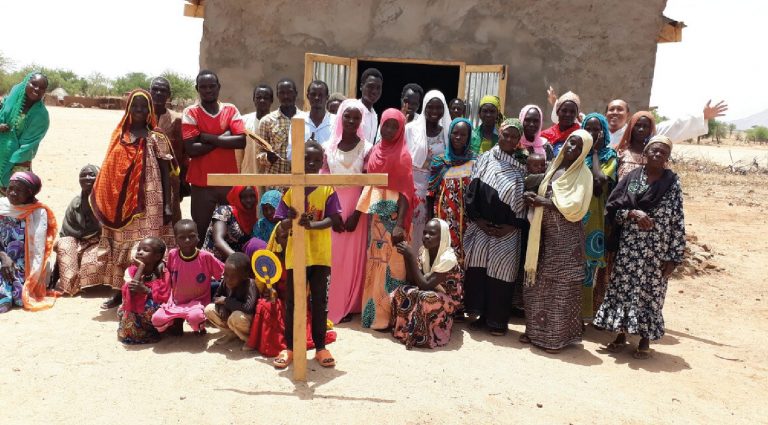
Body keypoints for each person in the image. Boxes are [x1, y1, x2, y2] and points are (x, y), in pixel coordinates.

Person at [594, 136, 685, 360]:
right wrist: (632, 213)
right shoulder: (633, 178)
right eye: (654, 150)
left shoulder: (672, 182)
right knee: (623, 289)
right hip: (630, 248)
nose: (658, 154)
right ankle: (620, 334)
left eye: (663, 152)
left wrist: (673, 257)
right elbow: (613, 209)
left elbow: (678, 220)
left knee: (651, 293)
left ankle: (645, 339)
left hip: (657, 251)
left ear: (668, 157)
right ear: (645, 153)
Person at [87, 89, 178, 309]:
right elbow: (109, 169)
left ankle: (153, 291)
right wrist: (106, 200)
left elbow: (166, 172)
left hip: (151, 199)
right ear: (128, 109)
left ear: (149, 110)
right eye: (134, 106)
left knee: (149, 246)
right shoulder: (120, 136)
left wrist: (167, 204)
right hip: (122, 202)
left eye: (143, 106)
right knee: (122, 244)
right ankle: (119, 291)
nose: (139, 110)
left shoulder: (157, 137)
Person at [272, 140, 342, 369]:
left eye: (316, 160)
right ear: (298, 161)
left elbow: (334, 219)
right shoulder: (291, 191)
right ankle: (291, 347)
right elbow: (281, 225)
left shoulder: (327, 188)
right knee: (294, 302)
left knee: (320, 301)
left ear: (322, 162)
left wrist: (312, 225)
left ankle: (321, 347)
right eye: (306, 159)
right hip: (297, 256)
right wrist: (290, 219)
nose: (311, 163)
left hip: (320, 255)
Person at [521, 130, 593, 353]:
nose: (572, 148)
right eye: (571, 142)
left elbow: (576, 207)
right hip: (544, 234)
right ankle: (535, 331)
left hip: (567, 239)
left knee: (561, 288)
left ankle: (556, 339)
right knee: (538, 285)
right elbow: (542, 192)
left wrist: (544, 202)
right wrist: (533, 198)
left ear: (584, 152)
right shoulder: (554, 167)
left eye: (578, 147)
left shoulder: (584, 174)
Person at [463, 118, 528, 335]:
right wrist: (479, 220)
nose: (508, 139)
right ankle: (481, 316)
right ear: (499, 134)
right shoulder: (485, 159)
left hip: (508, 230)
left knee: (502, 274)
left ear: (519, 140)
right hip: (482, 227)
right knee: (479, 271)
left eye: (513, 136)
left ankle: (497, 322)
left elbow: (525, 200)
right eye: (505, 134)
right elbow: (472, 190)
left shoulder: (523, 167)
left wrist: (512, 226)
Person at [358, 109, 414, 330]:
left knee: (394, 266)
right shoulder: (375, 150)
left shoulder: (403, 155)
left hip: (394, 219)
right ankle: (373, 316)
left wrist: (399, 224)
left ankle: (391, 317)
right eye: (386, 125)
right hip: (377, 219)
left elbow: (406, 193)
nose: (389, 130)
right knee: (375, 263)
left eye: (394, 126)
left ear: (401, 130)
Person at [321, 99, 373, 324]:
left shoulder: (367, 148)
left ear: (362, 120)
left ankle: (350, 304)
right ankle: (330, 303)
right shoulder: (327, 147)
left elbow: (368, 185)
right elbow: (322, 180)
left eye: (356, 117)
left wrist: (357, 215)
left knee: (352, 259)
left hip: (356, 209)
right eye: (347, 116)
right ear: (340, 117)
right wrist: (331, 213)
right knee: (332, 257)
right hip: (331, 207)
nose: (351, 121)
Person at [183, 70, 246, 242]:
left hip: (228, 181)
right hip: (201, 182)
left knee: (232, 231)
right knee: (200, 230)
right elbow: (192, 149)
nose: (208, 90)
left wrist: (207, 137)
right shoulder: (191, 112)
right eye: (203, 87)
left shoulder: (230, 109)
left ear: (219, 87)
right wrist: (224, 137)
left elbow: (241, 141)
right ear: (197, 88)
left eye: (212, 86)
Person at [391, 218, 463, 349]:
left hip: (448, 300)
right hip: (430, 289)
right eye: (425, 233)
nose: (426, 236)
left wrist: (411, 256)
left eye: (432, 234)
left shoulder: (448, 258)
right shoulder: (424, 252)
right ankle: (404, 331)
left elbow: (424, 285)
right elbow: (412, 280)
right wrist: (406, 256)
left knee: (426, 298)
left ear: (442, 238)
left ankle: (425, 335)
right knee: (402, 291)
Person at [152, 219, 225, 335]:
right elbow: (168, 274)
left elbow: (223, 273)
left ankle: (199, 326)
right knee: (157, 319)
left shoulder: (206, 257)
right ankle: (177, 321)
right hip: (175, 303)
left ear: (198, 237)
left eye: (191, 236)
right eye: (182, 237)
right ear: (176, 240)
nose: (187, 240)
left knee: (196, 317)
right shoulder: (172, 254)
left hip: (198, 303)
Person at [0, 171, 57, 313]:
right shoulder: (2, 206)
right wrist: (4, 257)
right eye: (10, 188)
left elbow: (37, 249)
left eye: (18, 190)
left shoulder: (38, 212)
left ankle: (8, 296)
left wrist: (13, 262)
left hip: (26, 260)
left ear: (30, 193)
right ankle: (4, 298)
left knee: (21, 295)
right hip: (1, 254)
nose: (12, 193)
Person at [580, 113, 618, 320]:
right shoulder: (577, 151)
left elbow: (599, 182)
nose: (593, 133)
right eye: (588, 128)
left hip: (595, 217)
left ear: (604, 132)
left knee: (588, 267)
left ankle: (583, 315)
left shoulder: (609, 156)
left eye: (597, 129)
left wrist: (594, 152)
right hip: (574, 215)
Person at [406, 90, 451, 252]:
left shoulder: (447, 133)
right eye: (430, 107)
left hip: (436, 191)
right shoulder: (410, 129)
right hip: (413, 189)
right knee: (411, 232)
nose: (434, 111)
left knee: (431, 232)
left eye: (439, 108)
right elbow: (403, 159)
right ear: (424, 107)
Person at [427, 117, 475, 265]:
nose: (458, 137)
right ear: (450, 134)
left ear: (468, 137)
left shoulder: (475, 162)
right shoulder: (440, 162)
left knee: (465, 258)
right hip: (443, 219)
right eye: (455, 133)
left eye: (463, 134)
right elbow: (430, 193)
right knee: (443, 255)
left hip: (467, 221)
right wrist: (430, 220)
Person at [54, 165, 102, 295]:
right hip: (79, 241)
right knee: (64, 244)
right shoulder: (75, 204)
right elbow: (66, 234)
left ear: (100, 178)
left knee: (91, 262)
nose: (87, 178)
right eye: (83, 175)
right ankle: (71, 287)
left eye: (92, 174)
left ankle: (95, 283)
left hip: (101, 242)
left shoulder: (108, 202)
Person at [0, 72, 49, 194]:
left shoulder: (41, 116)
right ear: (26, 83)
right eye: (34, 84)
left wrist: (11, 173)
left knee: (12, 197)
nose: (37, 89)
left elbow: (27, 147)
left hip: (17, 163)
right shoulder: (8, 102)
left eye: (42, 88)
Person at [117, 237, 170, 344]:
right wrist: (141, 267)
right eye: (139, 249)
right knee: (125, 309)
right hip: (135, 310)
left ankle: (155, 330)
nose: (140, 252)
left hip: (154, 312)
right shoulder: (131, 271)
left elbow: (165, 297)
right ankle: (142, 331)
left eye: (145, 250)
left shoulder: (164, 272)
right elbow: (131, 292)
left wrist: (146, 290)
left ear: (157, 256)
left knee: (151, 306)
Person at [605, 98, 728, 144]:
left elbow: (675, 126)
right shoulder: (598, 133)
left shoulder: (638, 133)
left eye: (620, 109)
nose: (615, 112)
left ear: (628, 115)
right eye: (611, 109)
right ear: (606, 114)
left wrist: (703, 116)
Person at [205, 252, 258, 349]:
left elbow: (248, 308)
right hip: (230, 316)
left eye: (233, 276)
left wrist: (226, 301)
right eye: (225, 275)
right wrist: (222, 307)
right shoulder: (225, 282)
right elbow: (216, 298)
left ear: (244, 276)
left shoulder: (250, 284)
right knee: (209, 309)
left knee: (236, 316)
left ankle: (249, 340)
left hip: (245, 320)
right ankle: (231, 334)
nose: (228, 279)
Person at [150, 76, 186, 221]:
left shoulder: (177, 119)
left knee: (171, 214)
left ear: (169, 94)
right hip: (145, 177)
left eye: (163, 90)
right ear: (149, 91)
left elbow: (183, 153)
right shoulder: (140, 116)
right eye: (155, 89)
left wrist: (183, 180)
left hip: (171, 178)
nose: (159, 93)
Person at [202, 185, 265, 262]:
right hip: (213, 261)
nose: (249, 200)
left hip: (236, 265)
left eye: (252, 196)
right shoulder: (225, 211)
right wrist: (238, 260)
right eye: (244, 197)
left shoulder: (254, 219)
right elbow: (218, 240)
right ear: (237, 197)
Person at [256, 78, 304, 178]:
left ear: (295, 94)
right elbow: (259, 153)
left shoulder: (305, 119)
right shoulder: (267, 121)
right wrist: (267, 158)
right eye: (282, 93)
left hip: (299, 180)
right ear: (277, 95)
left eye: (289, 92)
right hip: (274, 180)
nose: (286, 96)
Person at [240, 84, 274, 174]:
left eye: (266, 98)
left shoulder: (276, 124)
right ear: (253, 99)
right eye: (258, 97)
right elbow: (238, 153)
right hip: (247, 175)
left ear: (271, 100)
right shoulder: (244, 121)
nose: (262, 100)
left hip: (269, 178)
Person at [615, 111, 656, 180]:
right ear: (631, 127)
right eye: (637, 125)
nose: (641, 129)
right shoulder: (620, 151)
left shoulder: (654, 154)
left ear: (650, 130)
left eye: (646, 126)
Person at [541, 92, 581, 157]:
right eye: (564, 111)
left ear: (577, 115)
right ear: (557, 112)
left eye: (572, 112)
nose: (568, 114)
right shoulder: (544, 137)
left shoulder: (581, 136)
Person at [304, 80, 333, 146]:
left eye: (321, 95)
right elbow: (291, 150)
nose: (317, 98)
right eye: (313, 94)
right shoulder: (299, 120)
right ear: (308, 96)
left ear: (327, 97)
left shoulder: (335, 122)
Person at [359, 68, 383, 144]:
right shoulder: (354, 110)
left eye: (378, 88)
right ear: (361, 86)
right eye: (370, 86)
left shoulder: (374, 115)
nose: (374, 91)